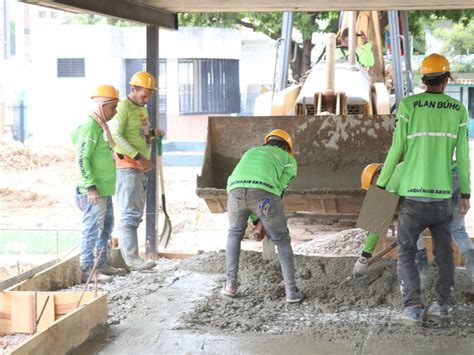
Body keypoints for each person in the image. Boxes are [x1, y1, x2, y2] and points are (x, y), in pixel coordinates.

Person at [376, 53, 471, 325]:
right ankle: (442, 307)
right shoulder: (458, 110)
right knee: (444, 254)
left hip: (412, 200)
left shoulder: (408, 106)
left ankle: (412, 308)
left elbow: (397, 150)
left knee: (406, 252)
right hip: (442, 199)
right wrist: (465, 193)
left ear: (424, 79)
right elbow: (463, 158)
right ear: (445, 80)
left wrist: (382, 185)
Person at [354, 163, 474, 284]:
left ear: (376, 177)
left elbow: (376, 224)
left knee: (413, 226)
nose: (376, 190)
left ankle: (421, 277)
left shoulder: (392, 179)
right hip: (457, 174)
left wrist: (364, 256)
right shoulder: (402, 168)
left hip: (438, 181)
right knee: (457, 230)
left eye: (373, 186)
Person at [222, 129, 303, 303]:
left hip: (235, 192)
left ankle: (230, 285)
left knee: (234, 233)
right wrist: (265, 218)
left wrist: (256, 220)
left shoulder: (251, 151)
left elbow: (246, 191)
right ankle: (291, 291)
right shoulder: (289, 160)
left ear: (267, 142)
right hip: (263, 195)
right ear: (287, 147)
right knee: (281, 239)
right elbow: (279, 189)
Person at [109, 71, 165, 271]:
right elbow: (115, 135)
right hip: (128, 167)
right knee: (130, 214)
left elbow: (136, 133)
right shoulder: (124, 108)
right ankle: (131, 259)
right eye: (144, 95)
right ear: (132, 89)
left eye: (150, 95)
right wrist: (139, 157)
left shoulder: (140, 108)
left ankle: (131, 257)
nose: (147, 99)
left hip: (138, 167)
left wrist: (152, 133)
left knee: (135, 213)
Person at [72, 85, 126, 282]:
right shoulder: (89, 128)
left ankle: (102, 263)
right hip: (93, 191)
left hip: (104, 190)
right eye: (112, 107)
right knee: (93, 228)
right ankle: (88, 270)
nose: (115, 112)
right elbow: (82, 159)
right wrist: (90, 187)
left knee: (106, 226)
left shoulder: (99, 127)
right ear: (102, 105)